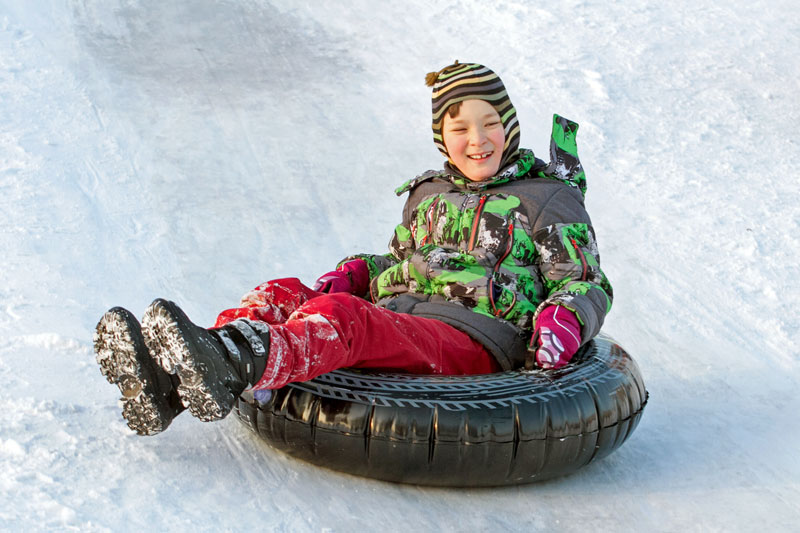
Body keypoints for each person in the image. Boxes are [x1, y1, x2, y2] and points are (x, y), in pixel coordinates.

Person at [94, 61, 613, 436]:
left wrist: (565, 319)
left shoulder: (547, 199)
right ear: (442, 138)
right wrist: (361, 271)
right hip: (405, 315)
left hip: (473, 336)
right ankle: (177, 378)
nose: (477, 140)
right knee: (284, 292)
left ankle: (232, 359)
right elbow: (401, 259)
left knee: (343, 318)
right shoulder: (428, 194)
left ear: (510, 126)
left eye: (491, 124)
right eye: (460, 129)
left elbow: (583, 281)